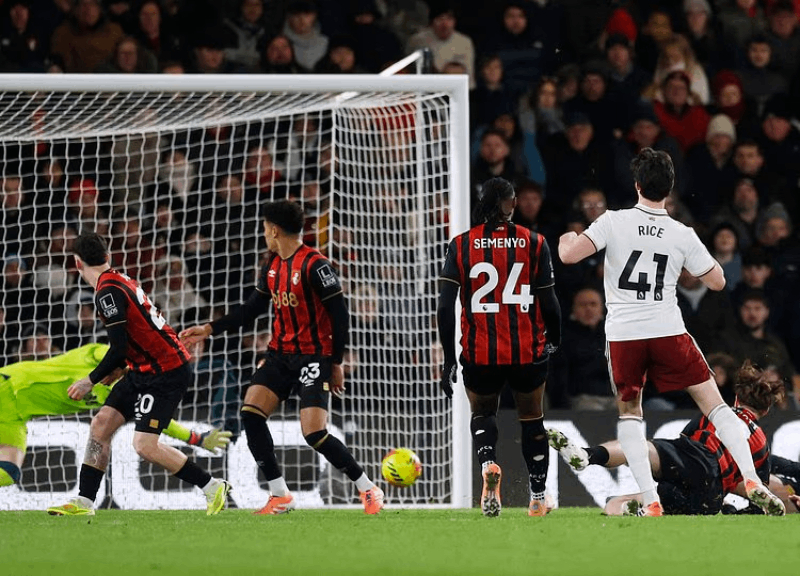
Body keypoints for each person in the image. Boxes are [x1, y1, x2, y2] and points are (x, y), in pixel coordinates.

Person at [558, 147, 785, 516]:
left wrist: (567, 238)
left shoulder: (612, 221)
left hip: (625, 335)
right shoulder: (681, 232)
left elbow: (569, 256)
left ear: (636, 184)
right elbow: (717, 281)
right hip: (667, 330)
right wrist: (686, 262)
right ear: (670, 187)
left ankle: (650, 499)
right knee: (717, 408)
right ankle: (751, 479)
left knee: (631, 415)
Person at [180, 200, 384, 515]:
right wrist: (209, 328)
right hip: (279, 355)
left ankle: (367, 487)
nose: (264, 234)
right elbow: (251, 310)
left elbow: (340, 316)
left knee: (314, 433)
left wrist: (336, 362)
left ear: (274, 230)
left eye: (265, 228)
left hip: (313, 358)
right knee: (251, 414)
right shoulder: (273, 266)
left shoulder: (316, 265)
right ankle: (280, 494)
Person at [47, 233, 230, 516]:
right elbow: (135, 335)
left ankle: (211, 486)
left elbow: (119, 347)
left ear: (77, 263)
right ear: (107, 256)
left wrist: (89, 380)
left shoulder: (107, 292)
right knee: (101, 425)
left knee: (145, 446)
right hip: (142, 368)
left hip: (166, 372)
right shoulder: (119, 280)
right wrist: (120, 368)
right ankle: (84, 501)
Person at [437, 177, 561, 517]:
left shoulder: (461, 245)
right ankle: (537, 497)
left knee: (482, 414)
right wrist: (555, 339)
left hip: (480, 351)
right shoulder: (534, 242)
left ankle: (488, 463)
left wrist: (448, 358)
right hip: (526, 350)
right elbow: (549, 302)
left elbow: (445, 307)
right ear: (511, 204)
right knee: (532, 418)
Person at [548, 360, 789, 516]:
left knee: (639, 449)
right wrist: (735, 510)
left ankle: (588, 456)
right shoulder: (761, 443)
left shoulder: (717, 413)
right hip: (710, 496)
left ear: (737, 399)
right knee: (690, 501)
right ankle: (641, 511)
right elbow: (758, 494)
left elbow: (686, 441)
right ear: (766, 410)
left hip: (696, 459)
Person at [0, 343, 231, 489]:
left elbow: (154, 420)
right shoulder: (97, 354)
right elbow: (116, 354)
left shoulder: (126, 393)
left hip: (16, 416)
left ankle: (84, 500)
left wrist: (195, 438)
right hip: (8, 386)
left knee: (9, 472)